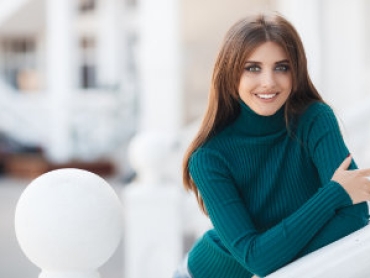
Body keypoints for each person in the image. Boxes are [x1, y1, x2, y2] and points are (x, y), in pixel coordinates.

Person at [174, 12, 370, 278]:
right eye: (252, 67)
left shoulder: (314, 120)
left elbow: (356, 215)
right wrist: (334, 194)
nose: (268, 81)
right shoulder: (209, 158)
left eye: (282, 67)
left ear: (296, 72)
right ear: (231, 74)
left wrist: (271, 251)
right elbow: (258, 261)